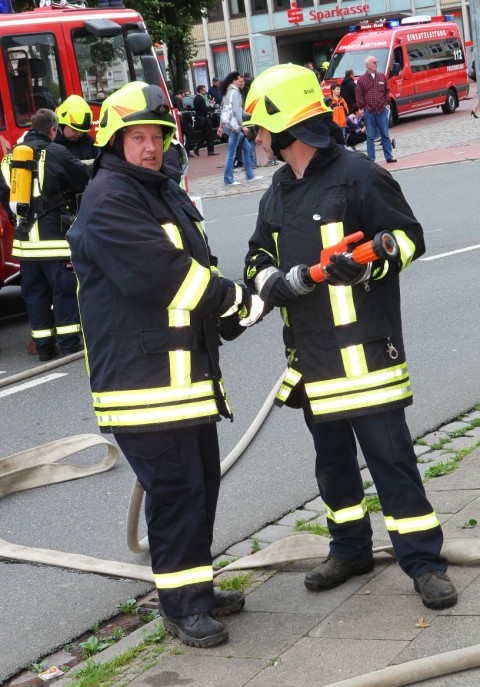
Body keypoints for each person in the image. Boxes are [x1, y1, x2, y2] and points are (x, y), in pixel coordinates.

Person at [243, 64, 457, 612]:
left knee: (392, 462)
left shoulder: (359, 175)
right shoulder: (279, 191)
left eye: (259, 128)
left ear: (283, 125)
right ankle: (349, 549)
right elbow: (256, 259)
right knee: (332, 465)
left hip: (368, 356)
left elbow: (411, 239)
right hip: (312, 362)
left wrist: (372, 265)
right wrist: (273, 282)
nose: (258, 141)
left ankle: (425, 564)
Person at [66, 81, 263, 648]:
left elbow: (193, 266)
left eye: (156, 136)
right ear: (114, 142)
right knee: (176, 493)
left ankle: (195, 588)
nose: (150, 147)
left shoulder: (157, 191)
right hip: (143, 385)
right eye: (138, 137)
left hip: (183, 380)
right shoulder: (110, 198)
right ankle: (180, 607)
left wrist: (228, 315)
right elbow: (164, 274)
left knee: (199, 487)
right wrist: (233, 300)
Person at [0, 108, 89, 360]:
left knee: (35, 295)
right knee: (63, 292)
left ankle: (45, 348)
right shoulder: (57, 152)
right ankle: (70, 346)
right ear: (53, 130)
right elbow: (82, 178)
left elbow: (4, 195)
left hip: (25, 245)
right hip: (54, 242)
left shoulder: (8, 160)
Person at [218, 71, 262, 186]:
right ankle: (229, 179)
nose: (240, 82)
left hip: (229, 125)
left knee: (246, 148)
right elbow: (237, 111)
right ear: (234, 81)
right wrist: (242, 126)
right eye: (239, 80)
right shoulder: (235, 92)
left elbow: (224, 109)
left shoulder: (227, 92)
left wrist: (221, 126)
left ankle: (249, 175)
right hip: (235, 127)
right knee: (231, 153)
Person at [356, 55, 396, 163]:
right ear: (368, 65)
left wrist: (385, 103)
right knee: (370, 136)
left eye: (376, 62)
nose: (376, 64)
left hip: (381, 110)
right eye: (374, 62)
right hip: (369, 112)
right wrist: (364, 106)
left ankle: (389, 156)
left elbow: (387, 91)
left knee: (385, 134)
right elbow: (358, 94)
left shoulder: (382, 76)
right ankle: (371, 158)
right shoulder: (361, 80)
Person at [55, 95, 98, 160]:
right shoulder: (52, 144)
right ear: (62, 125)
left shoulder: (89, 141)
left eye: (82, 131)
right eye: (75, 130)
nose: (79, 134)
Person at [192, 85, 218, 157]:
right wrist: (212, 108)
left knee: (204, 134)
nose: (205, 91)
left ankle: (197, 147)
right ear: (200, 90)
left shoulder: (197, 98)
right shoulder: (200, 99)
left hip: (201, 119)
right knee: (209, 134)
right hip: (204, 119)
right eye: (203, 90)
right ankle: (210, 150)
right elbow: (204, 108)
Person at [172, 89, 193, 155]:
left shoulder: (174, 99)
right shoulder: (177, 100)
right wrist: (186, 110)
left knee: (185, 135)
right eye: (182, 96)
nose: (182, 98)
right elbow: (180, 109)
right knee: (189, 134)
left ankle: (185, 151)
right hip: (181, 120)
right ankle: (186, 151)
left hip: (179, 120)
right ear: (179, 95)